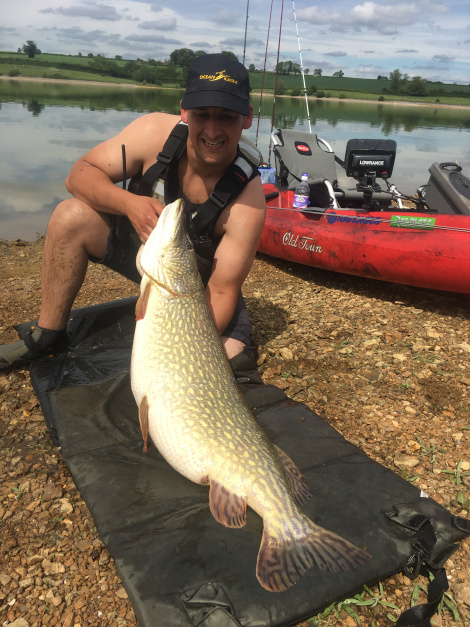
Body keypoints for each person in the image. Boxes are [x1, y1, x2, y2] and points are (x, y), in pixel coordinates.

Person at [0, 54, 266, 380]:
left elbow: (223, 290)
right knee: (70, 214)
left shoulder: (248, 200)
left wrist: (182, 346)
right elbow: (78, 176)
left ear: (248, 117)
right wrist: (129, 204)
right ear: (184, 110)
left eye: (227, 117)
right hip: (144, 254)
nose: (212, 129)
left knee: (223, 362)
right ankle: (48, 333)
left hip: (200, 286)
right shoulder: (153, 132)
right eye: (202, 114)